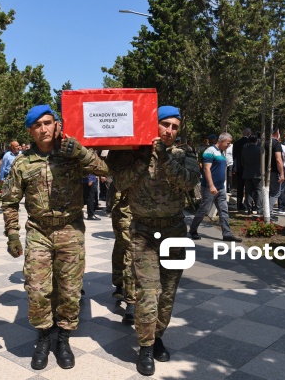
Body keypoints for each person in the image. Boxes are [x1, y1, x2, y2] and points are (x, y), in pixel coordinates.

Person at [2, 104, 109, 371]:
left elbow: (105, 171)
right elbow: (9, 201)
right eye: (37, 125)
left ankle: (63, 338)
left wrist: (81, 152)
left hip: (70, 229)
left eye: (47, 123)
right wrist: (12, 234)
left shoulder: (72, 154)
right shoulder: (23, 162)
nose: (43, 129)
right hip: (38, 231)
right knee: (38, 289)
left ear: (56, 125)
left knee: (70, 290)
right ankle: (43, 337)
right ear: (30, 131)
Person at [108, 106, 199, 376]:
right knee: (148, 292)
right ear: (153, 125)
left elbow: (189, 181)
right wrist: (144, 158)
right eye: (165, 125)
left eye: (174, 127)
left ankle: (158, 336)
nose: (170, 131)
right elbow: (120, 182)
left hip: (174, 231)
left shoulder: (185, 155)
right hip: (143, 231)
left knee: (168, 292)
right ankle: (145, 346)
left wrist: (164, 159)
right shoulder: (135, 155)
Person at [189, 132, 242, 242]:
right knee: (204, 209)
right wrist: (211, 185)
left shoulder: (221, 153)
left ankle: (227, 233)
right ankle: (193, 230)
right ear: (221, 141)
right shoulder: (210, 151)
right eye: (228, 143)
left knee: (224, 210)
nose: (229, 145)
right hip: (210, 187)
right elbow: (206, 169)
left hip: (220, 188)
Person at [110, 189, 135, 323]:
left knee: (124, 248)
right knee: (128, 250)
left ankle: (119, 283)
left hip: (146, 207)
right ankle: (131, 301)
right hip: (125, 208)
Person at [264, 127, 285, 222]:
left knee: (267, 192)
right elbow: (278, 159)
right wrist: (282, 173)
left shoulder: (264, 143)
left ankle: (266, 211)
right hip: (274, 171)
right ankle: (269, 213)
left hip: (264, 171)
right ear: (277, 133)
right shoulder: (276, 144)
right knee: (275, 192)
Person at [241, 135, 262, 215]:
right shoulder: (259, 150)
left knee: (248, 191)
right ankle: (259, 208)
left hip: (247, 172)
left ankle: (249, 208)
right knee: (258, 191)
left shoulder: (244, 150)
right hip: (257, 173)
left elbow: (242, 161)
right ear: (256, 141)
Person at [232, 128, 251, 211]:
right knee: (248, 187)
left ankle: (239, 205)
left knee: (240, 187)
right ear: (249, 134)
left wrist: (234, 168)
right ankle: (248, 204)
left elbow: (234, 157)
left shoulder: (236, 143)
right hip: (248, 168)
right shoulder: (250, 143)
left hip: (239, 168)